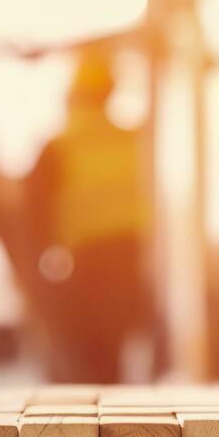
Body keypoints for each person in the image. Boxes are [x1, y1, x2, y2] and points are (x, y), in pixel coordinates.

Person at [23, 45, 152, 381]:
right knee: (114, 361)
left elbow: (34, 221)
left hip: (86, 268)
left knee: (82, 365)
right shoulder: (135, 140)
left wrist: (39, 283)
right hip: (132, 263)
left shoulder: (58, 146)